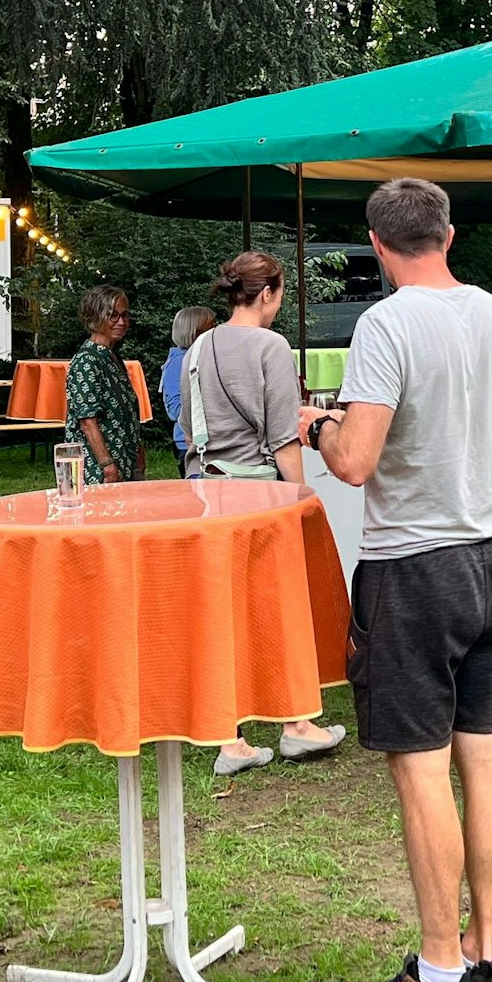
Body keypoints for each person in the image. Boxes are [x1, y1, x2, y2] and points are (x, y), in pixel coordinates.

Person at [298, 177, 492, 982]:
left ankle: (440, 966)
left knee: (420, 768)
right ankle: (484, 950)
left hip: (411, 568)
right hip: (489, 559)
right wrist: (464, 452)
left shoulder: (386, 322)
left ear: (377, 245)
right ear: (450, 232)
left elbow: (355, 462)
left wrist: (320, 424)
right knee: (481, 755)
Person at [179, 253, 347, 776]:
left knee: (222, 613)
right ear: (269, 293)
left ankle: (230, 739)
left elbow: (188, 424)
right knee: (282, 609)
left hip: (205, 491)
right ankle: (297, 725)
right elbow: (282, 439)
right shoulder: (271, 347)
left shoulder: (198, 347)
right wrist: (301, 500)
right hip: (259, 498)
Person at [64, 286, 144, 486]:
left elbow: (126, 413)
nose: (121, 322)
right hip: (97, 469)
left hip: (123, 460)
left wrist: (138, 451)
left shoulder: (111, 357)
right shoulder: (87, 361)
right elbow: (87, 421)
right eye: (113, 316)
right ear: (95, 317)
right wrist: (107, 464)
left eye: (125, 315)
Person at [162, 306, 216, 470]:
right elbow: (174, 408)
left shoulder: (201, 357)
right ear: (195, 331)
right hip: (189, 444)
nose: (216, 330)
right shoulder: (179, 361)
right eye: (211, 325)